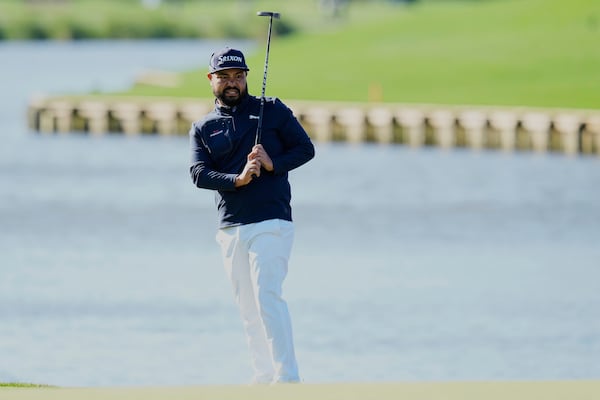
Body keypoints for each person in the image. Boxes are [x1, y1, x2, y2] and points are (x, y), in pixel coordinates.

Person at [188, 47, 315, 384]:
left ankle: (287, 377)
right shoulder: (203, 127)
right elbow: (199, 174)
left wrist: (273, 163)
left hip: (271, 221)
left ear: (246, 78)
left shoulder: (271, 110)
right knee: (247, 308)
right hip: (230, 226)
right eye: (225, 77)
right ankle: (263, 375)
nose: (233, 83)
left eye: (239, 76)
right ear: (211, 79)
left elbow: (305, 149)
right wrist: (238, 179)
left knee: (267, 295)